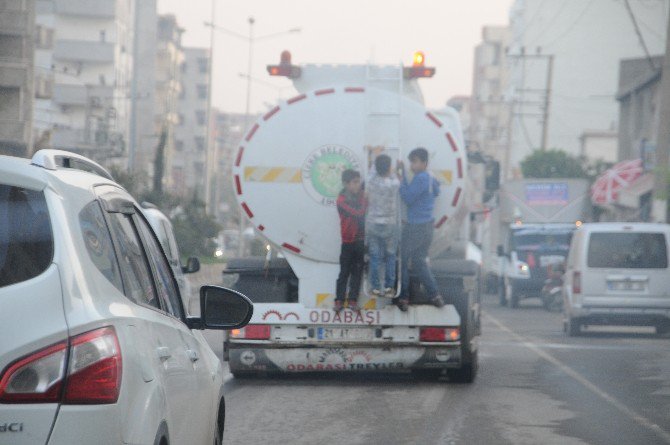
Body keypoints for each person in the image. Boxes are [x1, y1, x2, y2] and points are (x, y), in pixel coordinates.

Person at [397, 147, 445, 312]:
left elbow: (408, 198)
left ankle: (403, 297)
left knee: (402, 260)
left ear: (424, 163)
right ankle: (435, 295)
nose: (412, 165)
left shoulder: (420, 178)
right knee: (419, 262)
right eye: (411, 161)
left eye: (415, 161)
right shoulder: (431, 178)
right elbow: (437, 192)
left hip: (415, 226)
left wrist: (401, 179)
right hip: (428, 227)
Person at [366, 154, 400, 297]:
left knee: (375, 256)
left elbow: (373, 171)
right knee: (390, 256)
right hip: (390, 225)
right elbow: (396, 175)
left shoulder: (371, 181)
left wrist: (373, 154)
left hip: (373, 223)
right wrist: (397, 168)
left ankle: (374, 287)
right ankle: (388, 287)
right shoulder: (393, 183)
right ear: (388, 168)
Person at [334, 169, 367, 312]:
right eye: (354, 182)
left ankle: (353, 300)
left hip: (360, 240)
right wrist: (365, 201)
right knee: (344, 272)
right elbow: (359, 213)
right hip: (347, 241)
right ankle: (339, 300)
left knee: (357, 271)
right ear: (346, 184)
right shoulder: (341, 200)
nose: (357, 185)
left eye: (358, 182)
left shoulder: (360, 195)